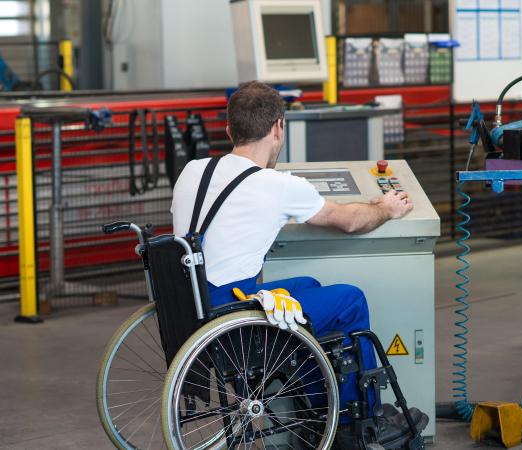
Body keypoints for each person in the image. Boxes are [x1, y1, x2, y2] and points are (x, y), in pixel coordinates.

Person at [171, 81, 427, 444]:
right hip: (236, 326)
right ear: (278, 127)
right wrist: (385, 208)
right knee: (350, 300)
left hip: (195, 314)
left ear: (230, 130)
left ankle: (320, 411)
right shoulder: (277, 185)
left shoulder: (192, 172)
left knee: (308, 287)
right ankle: (363, 421)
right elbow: (350, 221)